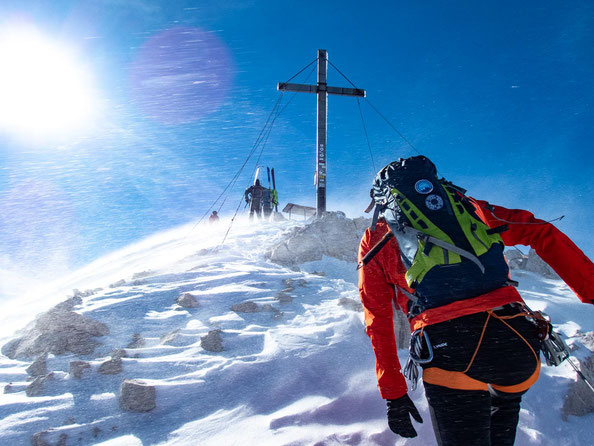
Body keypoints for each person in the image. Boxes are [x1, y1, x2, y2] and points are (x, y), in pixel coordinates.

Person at [358, 155, 594, 446]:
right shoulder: (471, 209)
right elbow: (541, 231)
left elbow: (377, 317)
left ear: (381, 199)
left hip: (449, 349)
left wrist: (393, 393)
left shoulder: (376, 237)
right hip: (514, 340)